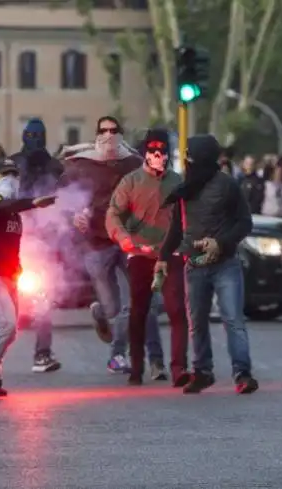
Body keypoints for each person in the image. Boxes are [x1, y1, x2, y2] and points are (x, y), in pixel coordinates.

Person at [159, 133, 259, 395]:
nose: (186, 160)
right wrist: (162, 258)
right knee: (197, 321)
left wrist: (220, 243)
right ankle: (202, 371)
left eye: (189, 156)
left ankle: (243, 373)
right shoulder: (184, 189)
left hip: (225, 264)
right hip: (194, 265)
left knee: (233, 319)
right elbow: (176, 229)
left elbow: (244, 223)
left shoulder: (227, 186)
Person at [105, 128, 189, 386]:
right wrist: (123, 238)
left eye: (162, 150)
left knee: (177, 310)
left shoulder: (177, 183)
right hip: (139, 254)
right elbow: (113, 214)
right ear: (144, 153)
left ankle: (178, 369)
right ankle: (137, 367)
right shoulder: (130, 182)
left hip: (170, 253)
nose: (158, 155)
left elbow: (189, 217)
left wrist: (186, 245)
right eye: (153, 150)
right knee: (138, 311)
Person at [0, 160, 57, 397]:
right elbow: (5, 206)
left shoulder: (15, 215)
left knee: (11, 329)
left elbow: (11, 246)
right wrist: (34, 203)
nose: (10, 178)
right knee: (4, 323)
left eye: (14, 174)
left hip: (9, 277)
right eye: (5, 174)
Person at [61, 116, 141, 374]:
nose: (108, 135)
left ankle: (117, 355)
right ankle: (101, 314)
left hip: (128, 240)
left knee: (135, 302)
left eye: (114, 130)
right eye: (103, 130)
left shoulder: (134, 163)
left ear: (121, 133)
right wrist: (74, 216)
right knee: (112, 308)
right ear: (96, 133)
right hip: (96, 243)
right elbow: (61, 198)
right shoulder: (80, 164)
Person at [7, 118, 63, 372]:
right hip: (15, 236)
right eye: (30, 134)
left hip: (43, 240)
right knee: (4, 301)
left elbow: (64, 199)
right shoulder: (14, 163)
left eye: (37, 135)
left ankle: (42, 353)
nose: (34, 139)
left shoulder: (54, 166)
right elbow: (0, 195)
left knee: (42, 297)